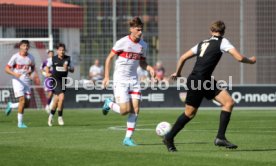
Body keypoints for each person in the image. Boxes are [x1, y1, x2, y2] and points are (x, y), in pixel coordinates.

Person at [163, 20, 256, 152]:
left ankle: (220, 137)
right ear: (223, 32)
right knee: (189, 113)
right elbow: (239, 58)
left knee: (228, 102)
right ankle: (169, 137)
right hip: (198, 81)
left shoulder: (202, 43)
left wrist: (178, 73)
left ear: (211, 31)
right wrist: (251, 61)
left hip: (203, 80)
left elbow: (183, 57)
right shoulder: (222, 41)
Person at [102, 17, 155, 146]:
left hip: (134, 80)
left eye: (141, 29)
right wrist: (106, 76)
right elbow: (109, 58)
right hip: (120, 80)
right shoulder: (122, 42)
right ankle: (109, 104)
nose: (140, 32)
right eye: (138, 29)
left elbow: (142, 62)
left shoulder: (143, 45)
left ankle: (127, 138)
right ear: (131, 29)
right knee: (124, 110)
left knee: (135, 109)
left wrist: (149, 68)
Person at [5, 40, 36, 128]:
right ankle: (20, 123)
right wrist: (15, 74)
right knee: (22, 100)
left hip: (26, 81)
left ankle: (11, 105)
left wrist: (30, 73)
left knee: (27, 104)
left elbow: (33, 67)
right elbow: (6, 69)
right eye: (24, 45)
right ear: (20, 46)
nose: (25, 47)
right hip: (17, 81)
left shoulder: (31, 57)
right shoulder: (15, 57)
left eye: (27, 46)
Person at [45, 43, 74, 127]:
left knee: (56, 100)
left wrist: (68, 68)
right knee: (61, 97)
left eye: (63, 50)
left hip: (63, 81)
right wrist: (47, 72)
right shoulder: (52, 59)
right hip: (55, 80)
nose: (62, 51)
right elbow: (47, 66)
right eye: (60, 50)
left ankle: (50, 116)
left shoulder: (68, 59)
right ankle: (60, 117)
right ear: (57, 51)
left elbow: (73, 70)